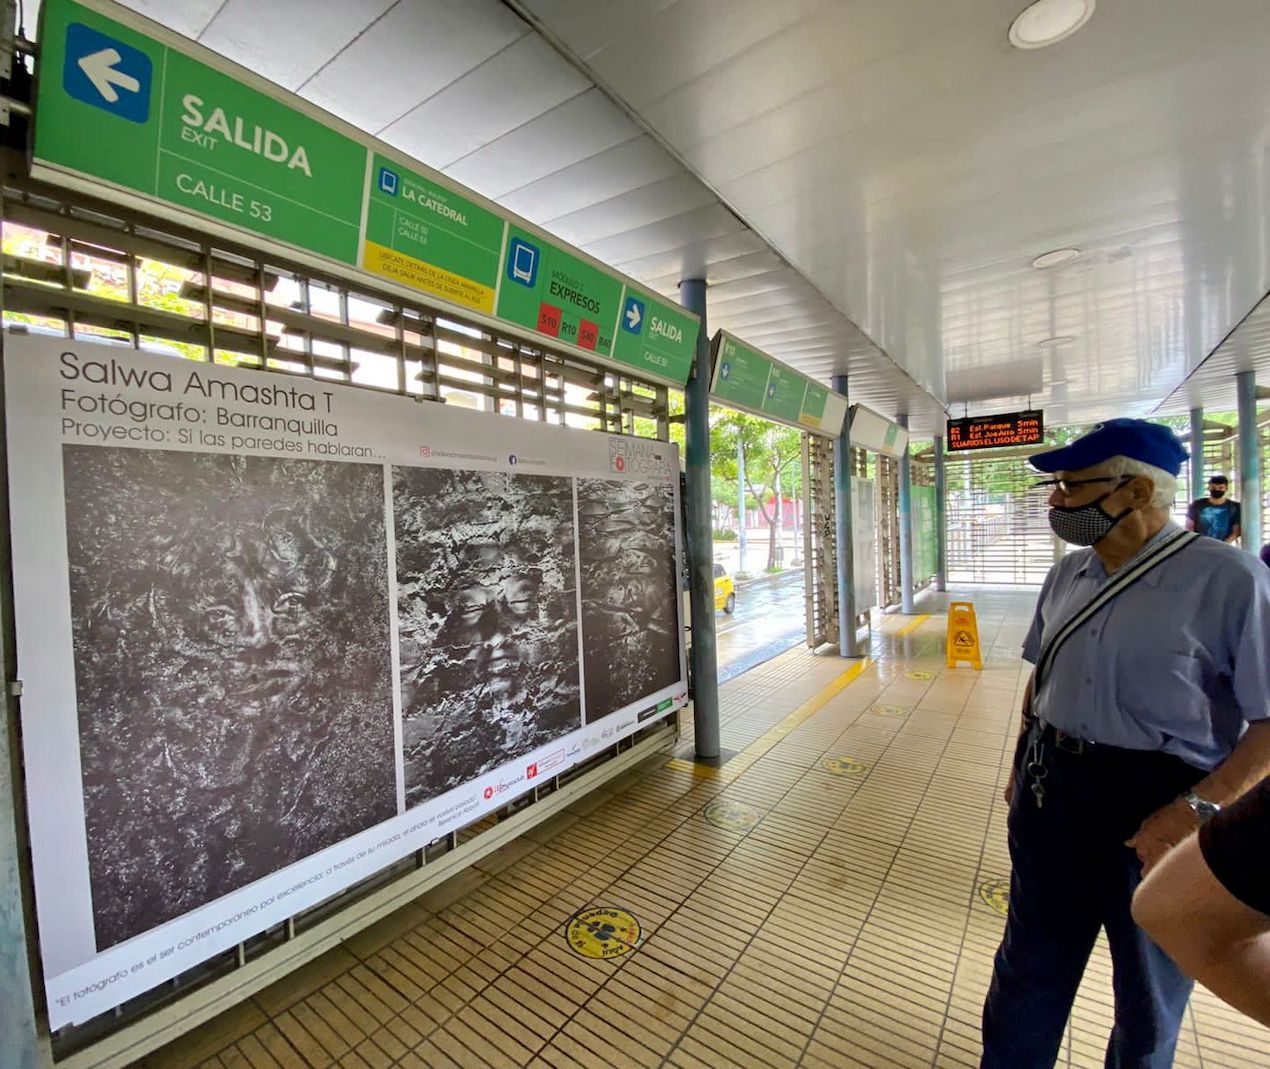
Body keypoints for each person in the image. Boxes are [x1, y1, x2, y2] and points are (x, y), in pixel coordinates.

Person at [980, 418, 1270, 1069]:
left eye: (1070, 486)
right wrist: (1023, 763)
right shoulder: (1066, 578)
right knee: (1027, 970)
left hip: (1163, 804)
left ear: (1137, 491)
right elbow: (1042, 678)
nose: (1055, 502)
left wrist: (1194, 811)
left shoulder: (1230, 582)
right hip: (1054, 793)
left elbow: (1269, 725)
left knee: (1148, 994)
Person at [1132, 774, 1270, 1029]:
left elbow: (1176, 912)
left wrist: (1198, 805)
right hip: (1058, 769)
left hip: (1180, 782)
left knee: (1148, 1011)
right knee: (1041, 986)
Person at [1186, 474, 1241, 543]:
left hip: (1224, 547)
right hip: (1200, 545)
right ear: (1208, 488)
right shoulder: (1197, 505)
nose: (1216, 490)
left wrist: (1224, 545)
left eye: (1220, 488)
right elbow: (1189, 527)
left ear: (1226, 489)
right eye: (1213, 487)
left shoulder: (1234, 507)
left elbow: (1236, 531)